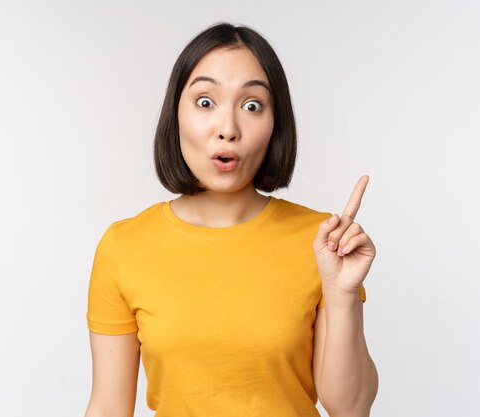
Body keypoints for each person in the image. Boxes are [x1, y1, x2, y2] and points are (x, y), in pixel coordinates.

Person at [85, 22, 378, 417]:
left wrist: (342, 296)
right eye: (205, 102)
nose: (228, 129)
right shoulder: (124, 246)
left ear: (276, 124)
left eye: (252, 105)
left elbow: (351, 408)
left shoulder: (322, 242)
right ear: (176, 114)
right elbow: (107, 406)